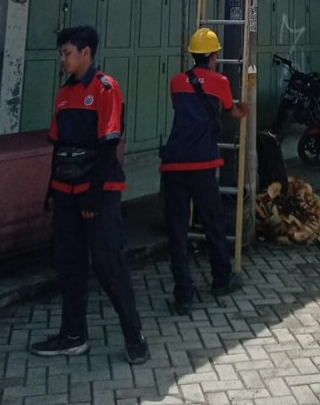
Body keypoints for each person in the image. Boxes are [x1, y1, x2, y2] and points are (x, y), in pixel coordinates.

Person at [30, 25, 148, 364]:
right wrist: (51, 190)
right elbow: (59, 146)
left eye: (67, 53)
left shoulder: (105, 88)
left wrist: (94, 197)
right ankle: (72, 335)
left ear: (86, 53)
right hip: (65, 191)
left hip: (99, 191)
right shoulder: (64, 94)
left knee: (108, 262)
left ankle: (135, 337)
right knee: (69, 263)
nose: (63, 59)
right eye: (61, 53)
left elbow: (109, 145)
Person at [160, 27, 250, 315]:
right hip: (202, 164)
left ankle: (183, 295)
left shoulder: (177, 81)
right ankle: (221, 279)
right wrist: (244, 110)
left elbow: (178, 107)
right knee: (213, 222)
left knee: (177, 230)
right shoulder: (220, 81)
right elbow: (231, 110)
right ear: (213, 56)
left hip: (173, 163)